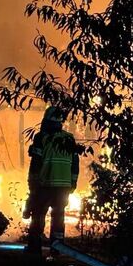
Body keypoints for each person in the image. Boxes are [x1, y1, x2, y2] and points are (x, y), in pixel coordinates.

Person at [24, 106, 80, 255]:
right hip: (63, 187)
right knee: (58, 217)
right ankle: (57, 249)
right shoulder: (69, 138)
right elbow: (75, 163)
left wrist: (32, 184)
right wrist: (73, 183)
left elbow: (35, 163)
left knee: (38, 215)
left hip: (45, 184)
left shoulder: (41, 137)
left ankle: (34, 249)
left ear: (46, 121)